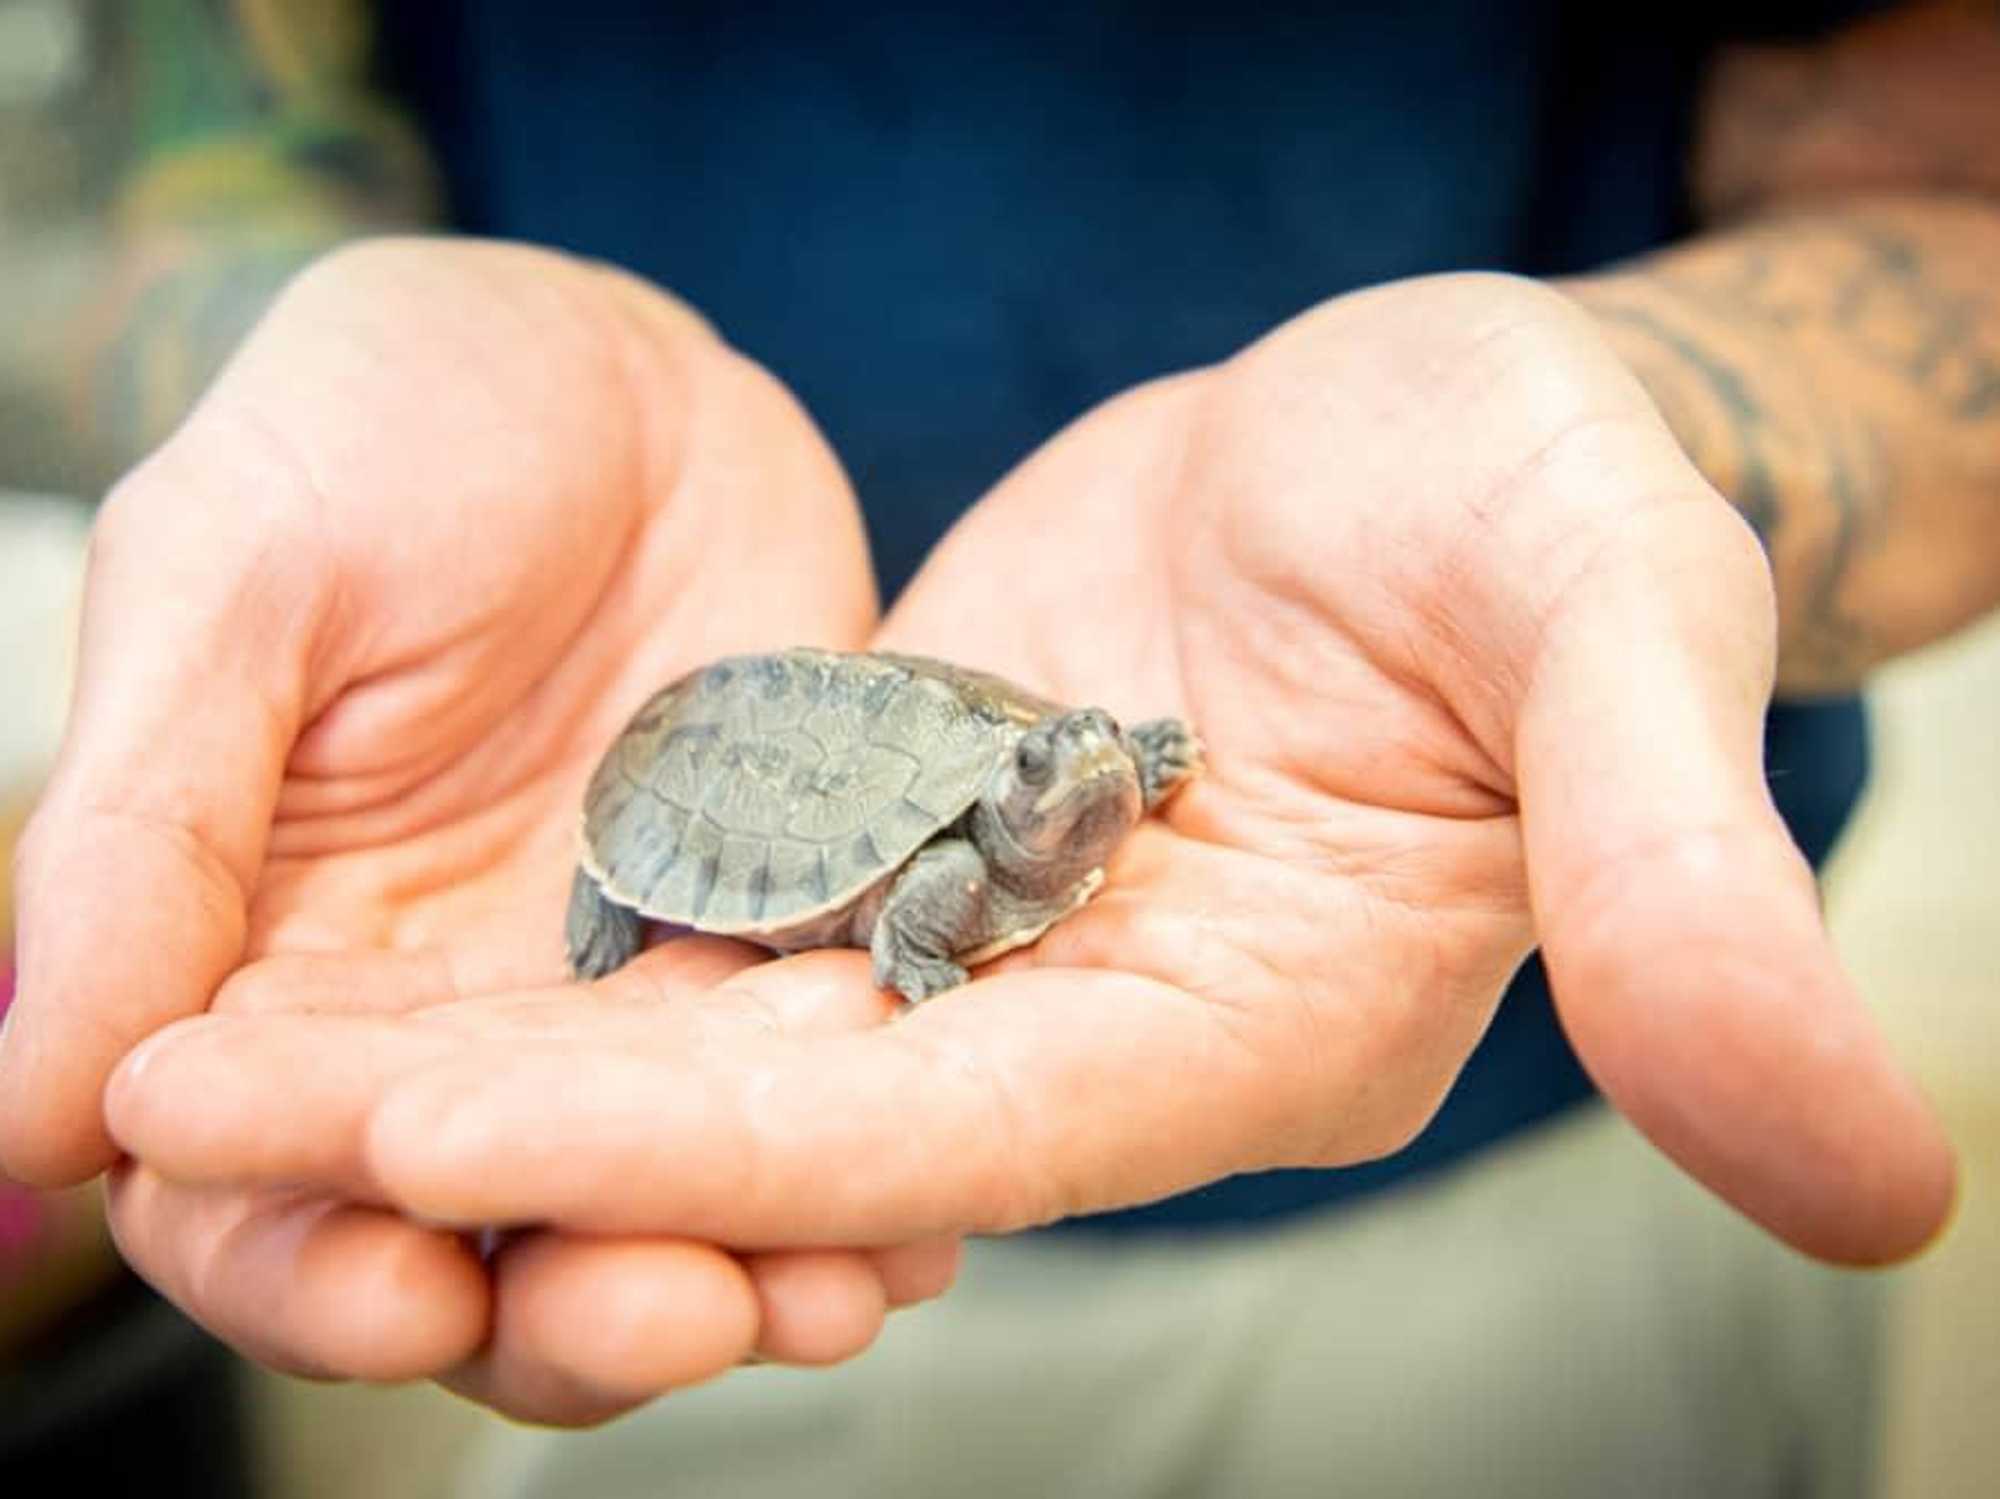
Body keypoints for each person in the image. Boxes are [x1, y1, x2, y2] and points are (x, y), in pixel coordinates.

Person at [0, 0, 1995, 1490]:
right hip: (736, 1258)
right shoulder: (965, 862)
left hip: (1524, 1161)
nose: (1091, 778)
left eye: (1086, 771)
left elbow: (1948, 177)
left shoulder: (1082, 782)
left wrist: (1644, 422)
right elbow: (212, 122)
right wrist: (323, 329)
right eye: (1070, 777)